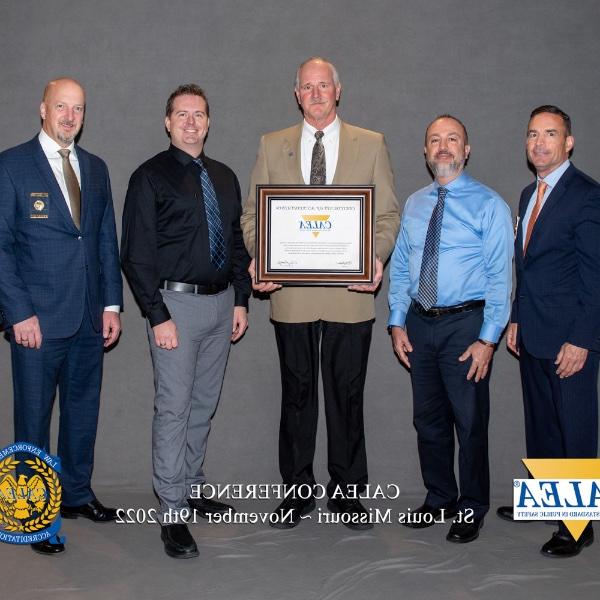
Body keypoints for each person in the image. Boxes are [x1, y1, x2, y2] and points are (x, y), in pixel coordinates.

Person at [240, 57, 400, 530]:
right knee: (297, 395)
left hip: (351, 294)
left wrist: (376, 259)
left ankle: (348, 494)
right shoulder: (272, 145)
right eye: (306, 87)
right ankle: (297, 492)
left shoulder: (371, 144)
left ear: (338, 90)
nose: (315, 93)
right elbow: (253, 217)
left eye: (323, 85)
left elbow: (387, 216)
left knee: (347, 396)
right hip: (290, 293)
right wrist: (259, 256)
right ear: (296, 94)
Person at [121, 84, 251, 559]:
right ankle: (172, 512)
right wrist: (157, 316)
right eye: (182, 114)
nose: (191, 122)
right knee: (173, 410)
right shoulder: (149, 177)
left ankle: (192, 487)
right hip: (175, 308)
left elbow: (236, 242)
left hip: (221, 307)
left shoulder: (224, 176)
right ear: (168, 122)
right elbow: (135, 255)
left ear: (209, 122)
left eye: (199, 114)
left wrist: (241, 301)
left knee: (202, 405)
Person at [0, 78, 123, 555]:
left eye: (78, 109)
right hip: (36, 322)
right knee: (32, 419)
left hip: (89, 320)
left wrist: (111, 305)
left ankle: (75, 494)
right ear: (43, 110)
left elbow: (103, 240)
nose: (70, 117)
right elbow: (2, 248)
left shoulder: (95, 168)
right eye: (61, 108)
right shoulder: (11, 166)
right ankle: (31, 516)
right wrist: (18, 313)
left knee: (81, 414)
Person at [388, 115, 513, 543]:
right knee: (429, 421)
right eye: (435, 141)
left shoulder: (489, 205)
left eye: (452, 140)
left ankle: (472, 507)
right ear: (425, 152)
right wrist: (396, 321)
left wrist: (488, 339)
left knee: (470, 421)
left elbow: (501, 276)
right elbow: (402, 267)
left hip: (467, 326)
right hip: (420, 326)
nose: (443, 147)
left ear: (467, 149)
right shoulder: (415, 203)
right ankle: (439, 497)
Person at [496, 105, 600, 557]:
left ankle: (577, 526)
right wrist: (516, 315)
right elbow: (528, 268)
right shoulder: (526, 195)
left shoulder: (587, 195)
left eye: (550, 134)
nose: (539, 143)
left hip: (570, 338)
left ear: (568, 143)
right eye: (533, 134)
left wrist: (582, 339)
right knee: (542, 427)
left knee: (573, 429)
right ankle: (549, 502)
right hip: (533, 331)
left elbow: (596, 276)